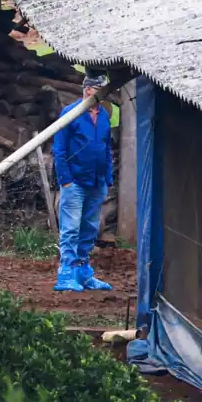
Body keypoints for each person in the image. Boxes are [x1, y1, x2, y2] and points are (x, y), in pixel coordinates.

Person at [51, 74, 114, 292]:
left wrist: (108, 177)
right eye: (101, 90)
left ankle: (83, 270)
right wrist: (65, 180)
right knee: (71, 228)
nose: (105, 94)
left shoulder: (104, 116)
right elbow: (59, 149)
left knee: (90, 227)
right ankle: (66, 272)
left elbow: (106, 147)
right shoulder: (71, 113)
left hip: (96, 181)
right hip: (75, 181)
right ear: (89, 90)